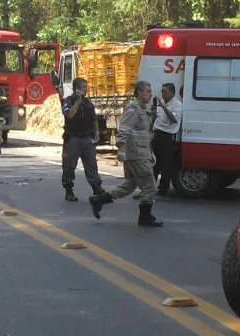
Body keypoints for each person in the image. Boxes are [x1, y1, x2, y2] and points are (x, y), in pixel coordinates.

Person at [89, 81, 162, 227]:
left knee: (131, 184)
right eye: (148, 91)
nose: (150, 94)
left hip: (141, 152)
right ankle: (145, 217)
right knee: (150, 186)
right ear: (140, 92)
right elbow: (124, 129)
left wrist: (150, 152)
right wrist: (121, 150)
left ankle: (99, 200)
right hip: (136, 155)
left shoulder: (142, 109)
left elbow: (144, 133)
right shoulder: (133, 108)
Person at [59, 77, 103, 202]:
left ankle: (96, 187)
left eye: (86, 87)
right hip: (73, 138)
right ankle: (69, 190)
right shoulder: (68, 101)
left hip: (87, 138)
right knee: (69, 166)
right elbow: (70, 115)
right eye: (84, 87)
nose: (86, 89)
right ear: (77, 89)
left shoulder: (88, 103)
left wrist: (96, 132)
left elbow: (94, 119)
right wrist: (78, 101)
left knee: (91, 165)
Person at [151, 82, 182, 195]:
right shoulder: (161, 104)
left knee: (165, 164)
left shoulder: (177, 105)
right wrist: (154, 112)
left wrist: (163, 107)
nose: (163, 94)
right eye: (162, 91)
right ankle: (150, 187)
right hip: (157, 134)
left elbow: (174, 120)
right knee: (154, 162)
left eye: (165, 92)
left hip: (167, 136)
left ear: (172, 92)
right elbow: (155, 121)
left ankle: (163, 189)